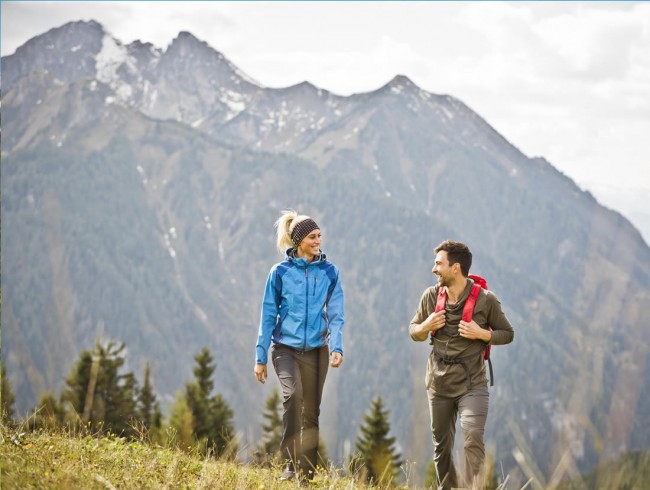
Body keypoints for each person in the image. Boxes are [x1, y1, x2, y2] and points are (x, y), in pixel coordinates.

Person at [409, 240, 514, 490]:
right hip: (438, 383)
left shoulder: (486, 300)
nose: (434, 269)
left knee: (472, 438)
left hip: (472, 384)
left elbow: (507, 333)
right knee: (442, 447)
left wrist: (482, 334)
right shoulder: (431, 296)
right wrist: (426, 326)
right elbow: (414, 330)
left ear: (455, 268)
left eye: (438, 264)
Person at [254, 210, 344, 482]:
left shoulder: (329, 272)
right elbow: (268, 314)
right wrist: (260, 357)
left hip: (318, 351)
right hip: (285, 349)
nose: (319, 240)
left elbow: (336, 314)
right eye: (313, 236)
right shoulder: (280, 272)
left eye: (319, 236)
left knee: (311, 411)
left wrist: (337, 347)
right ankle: (290, 465)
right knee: (293, 397)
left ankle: (307, 474)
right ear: (299, 240)